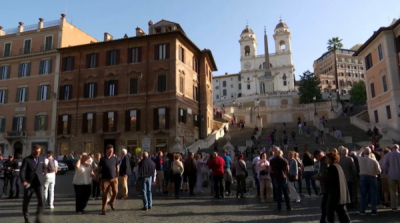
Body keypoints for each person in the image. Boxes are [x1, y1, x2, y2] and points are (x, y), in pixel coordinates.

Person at [20, 145, 46, 223]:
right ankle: (26, 219)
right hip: (29, 183)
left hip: (39, 182)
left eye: (39, 151)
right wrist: (23, 181)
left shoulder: (42, 158)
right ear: (33, 150)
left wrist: (44, 173)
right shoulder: (27, 159)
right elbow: (22, 171)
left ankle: (38, 217)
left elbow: (44, 168)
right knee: (26, 202)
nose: (38, 153)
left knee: (42, 200)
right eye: (36, 151)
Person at [325, 151, 352, 223]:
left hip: (335, 194)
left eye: (327, 158)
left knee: (333, 212)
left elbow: (330, 181)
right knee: (342, 212)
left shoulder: (332, 167)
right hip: (340, 193)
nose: (326, 160)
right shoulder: (337, 166)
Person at [356, 147, 381, 215]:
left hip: (363, 176)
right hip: (372, 177)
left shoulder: (361, 159)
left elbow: (357, 154)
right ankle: (374, 210)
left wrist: (362, 149)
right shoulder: (374, 161)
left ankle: (362, 210)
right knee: (373, 194)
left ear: (364, 153)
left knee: (363, 194)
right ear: (370, 153)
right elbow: (379, 171)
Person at [97, 144, 119, 215]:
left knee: (115, 192)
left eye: (112, 151)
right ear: (106, 150)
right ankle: (104, 209)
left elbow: (117, 166)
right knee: (104, 194)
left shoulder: (115, 158)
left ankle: (111, 202)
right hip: (105, 179)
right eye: (109, 151)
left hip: (114, 178)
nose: (111, 152)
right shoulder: (102, 159)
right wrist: (97, 175)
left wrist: (117, 174)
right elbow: (99, 168)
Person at [382, 144, 400, 211]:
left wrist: (386, 172)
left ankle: (394, 206)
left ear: (392, 148)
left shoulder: (388, 155)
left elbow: (384, 165)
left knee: (393, 191)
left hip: (391, 174)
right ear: (398, 148)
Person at [313, 149, 328, 222]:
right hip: (326, 187)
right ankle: (323, 219)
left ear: (319, 155)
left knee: (324, 205)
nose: (316, 160)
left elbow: (325, 174)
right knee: (325, 204)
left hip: (327, 187)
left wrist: (318, 176)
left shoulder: (324, 161)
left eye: (316, 158)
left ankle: (324, 219)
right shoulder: (323, 161)